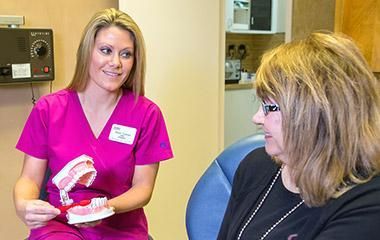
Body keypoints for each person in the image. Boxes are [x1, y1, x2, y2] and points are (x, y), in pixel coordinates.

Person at [14, 8, 173, 240]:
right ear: (88, 52)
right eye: (106, 51)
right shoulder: (49, 110)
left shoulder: (146, 114)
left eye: (126, 54)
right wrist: (23, 205)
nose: (115, 63)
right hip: (61, 224)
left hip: (121, 228)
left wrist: (105, 208)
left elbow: (143, 188)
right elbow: (29, 178)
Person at [217, 31, 380, 240]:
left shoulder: (368, 204)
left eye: (269, 107)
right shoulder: (255, 167)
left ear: (317, 113)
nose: (256, 118)